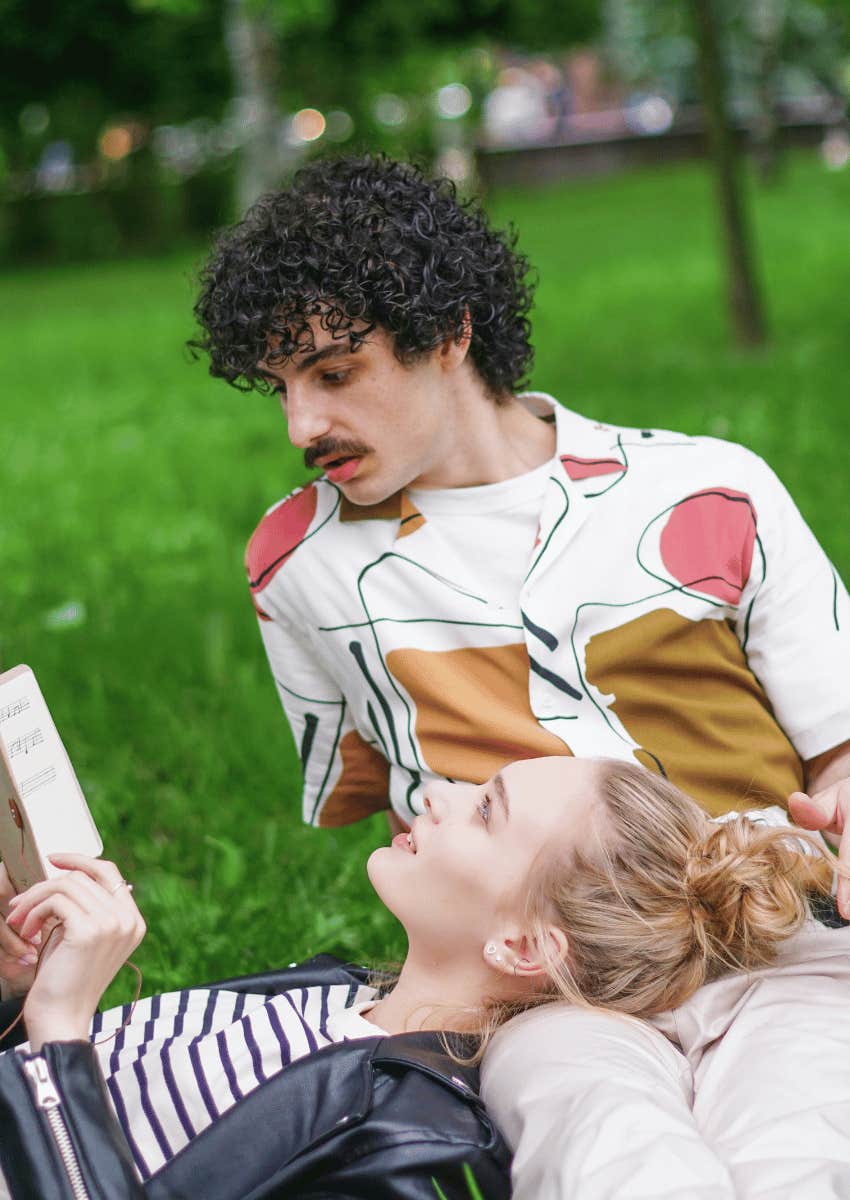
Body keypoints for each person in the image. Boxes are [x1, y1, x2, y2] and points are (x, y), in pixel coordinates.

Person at [188, 152, 850, 1192]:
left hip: (773, 949)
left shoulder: (710, 491)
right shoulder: (299, 565)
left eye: (331, 373)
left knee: (806, 1136)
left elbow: (839, 750)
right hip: (544, 991)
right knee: (595, 1146)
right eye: (277, 388)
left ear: (448, 333)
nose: (301, 427)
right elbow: (386, 816)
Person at [0, 755, 838, 1199]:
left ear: (523, 947)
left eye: (485, 811)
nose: (434, 792)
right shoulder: (334, 995)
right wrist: (20, 993)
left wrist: (61, 1030)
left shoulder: (409, 1143)